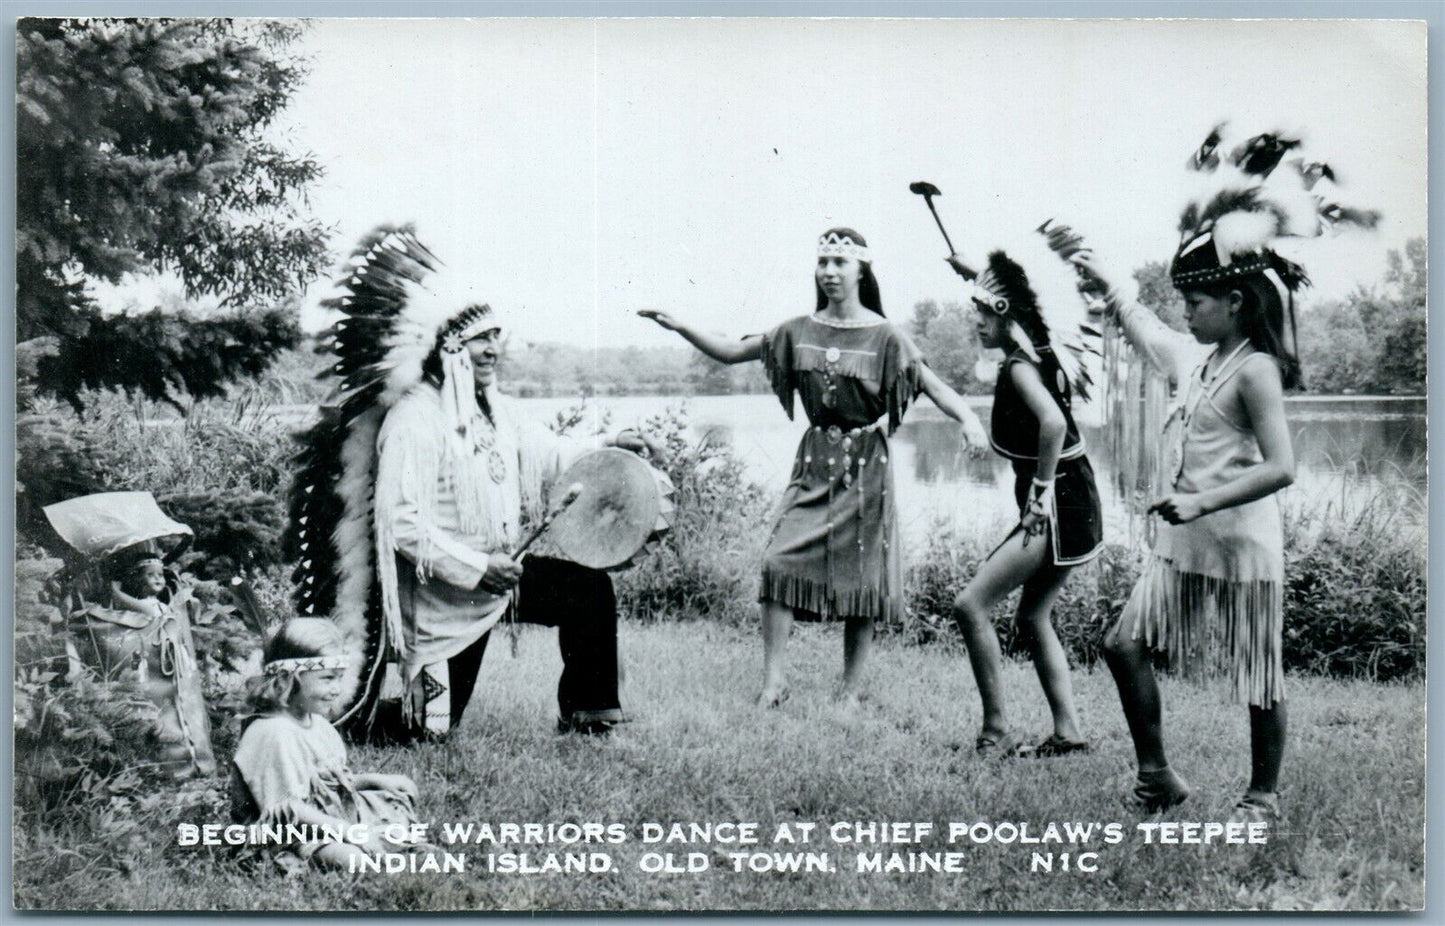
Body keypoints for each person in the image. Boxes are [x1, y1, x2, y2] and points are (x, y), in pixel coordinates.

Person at [1067, 127, 1378, 821]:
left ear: (1234, 302)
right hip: (1183, 543)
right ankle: (1157, 778)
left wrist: (1200, 498)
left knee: (1257, 674)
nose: (1186, 312)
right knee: (1122, 644)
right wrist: (1102, 278)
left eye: (1196, 303)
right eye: (1183, 304)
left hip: (1240, 544)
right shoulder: (1191, 359)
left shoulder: (1256, 371)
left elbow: (1281, 467)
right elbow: (1142, 323)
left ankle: (1261, 796)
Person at [288, 227, 656, 742]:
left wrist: (612, 440)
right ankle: (338, 717)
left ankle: (588, 720)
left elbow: (549, 451)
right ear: (448, 346)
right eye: (482, 338)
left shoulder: (493, 410)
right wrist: (478, 568)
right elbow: (401, 525)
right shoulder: (415, 420)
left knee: (586, 590)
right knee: (430, 731)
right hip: (444, 599)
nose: (494, 349)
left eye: (496, 336)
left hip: (497, 578)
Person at [639, 227, 989, 712]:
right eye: (822, 261)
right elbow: (730, 350)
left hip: (867, 465)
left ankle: (849, 691)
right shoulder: (797, 329)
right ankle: (773, 683)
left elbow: (930, 384)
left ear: (860, 270)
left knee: (863, 579)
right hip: (815, 461)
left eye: (839, 263)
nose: (828, 271)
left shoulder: (886, 335)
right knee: (777, 560)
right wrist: (681, 326)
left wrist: (970, 419)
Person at [944, 234, 1103, 759]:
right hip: (1078, 498)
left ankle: (996, 733)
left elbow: (1053, 423)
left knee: (971, 605)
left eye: (985, 313)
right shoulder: (1039, 348)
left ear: (1006, 313)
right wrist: (973, 270)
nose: (977, 321)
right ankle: (1069, 732)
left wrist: (1036, 495)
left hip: (1055, 500)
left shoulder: (1017, 366)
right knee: (1032, 617)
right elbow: (1019, 298)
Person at [230, 618, 424, 871]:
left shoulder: (318, 724)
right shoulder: (271, 733)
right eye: (327, 678)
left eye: (339, 678)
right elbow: (291, 811)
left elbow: (332, 786)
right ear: (288, 680)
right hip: (288, 834)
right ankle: (372, 853)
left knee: (398, 793)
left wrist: (375, 780)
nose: (336, 689)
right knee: (351, 858)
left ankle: (393, 846)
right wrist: (349, 832)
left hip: (330, 819)